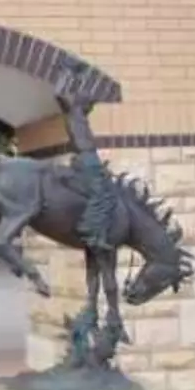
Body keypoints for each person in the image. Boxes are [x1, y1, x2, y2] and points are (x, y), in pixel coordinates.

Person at [53, 60, 117, 252]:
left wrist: (81, 76)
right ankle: (89, 229)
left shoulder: (78, 115)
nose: (90, 104)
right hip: (86, 158)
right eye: (87, 102)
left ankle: (97, 231)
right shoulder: (74, 114)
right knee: (103, 195)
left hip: (87, 157)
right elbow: (61, 94)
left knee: (106, 190)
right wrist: (68, 73)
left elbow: (87, 99)